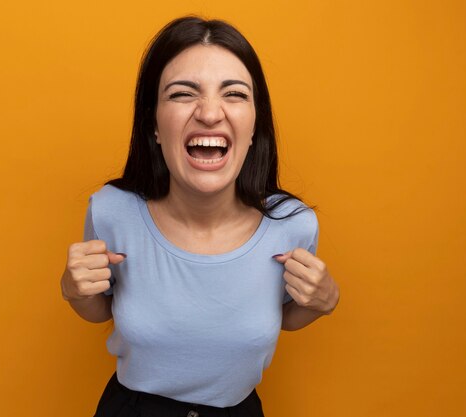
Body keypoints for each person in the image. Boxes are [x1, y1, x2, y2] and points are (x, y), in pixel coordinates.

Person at [60, 16, 340, 417]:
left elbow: (283, 317)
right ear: (154, 124)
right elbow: (100, 308)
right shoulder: (110, 210)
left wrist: (322, 302)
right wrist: (72, 290)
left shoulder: (294, 224)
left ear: (254, 122)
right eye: (182, 94)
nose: (210, 113)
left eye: (234, 94)